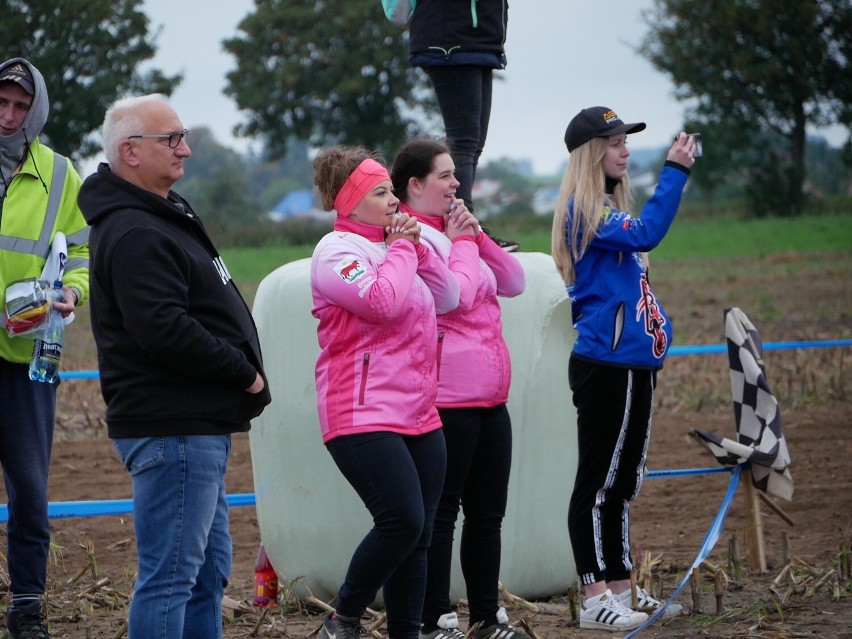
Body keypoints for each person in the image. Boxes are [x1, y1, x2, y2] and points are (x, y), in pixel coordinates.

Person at [77, 94, 271, 639]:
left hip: (193, 425)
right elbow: (163, 329)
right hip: (174, 426)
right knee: (171, 579)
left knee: (207, 575)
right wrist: (242, 371)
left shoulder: (159, 215)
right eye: (172, 140)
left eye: (182, 136)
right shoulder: (137, 231)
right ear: (131, 152)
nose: (185, 149)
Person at [551, 106, 695, 631]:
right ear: (593, 154)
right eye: (614, 143)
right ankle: (594, 601)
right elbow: (650, 231)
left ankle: (621, 590)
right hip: (605, 365)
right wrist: (675, 170)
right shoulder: (585, 212)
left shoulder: (608, 208)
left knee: (623, 481)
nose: (625, 150)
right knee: (596, 485)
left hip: (633, 364)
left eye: (625, 141)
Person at [311, 146, 459, 639]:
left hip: (419, 412)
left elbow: (448, 297)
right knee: (400, 520)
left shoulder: (399, 246)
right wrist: (401, 250)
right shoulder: (336, 252)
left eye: (392, 190)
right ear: (349, 204)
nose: (393, 200)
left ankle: (407, 633)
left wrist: (417, 249)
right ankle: (343, 617)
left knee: (417, 537)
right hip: (360, 414)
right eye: (380, 193)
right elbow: (381, 303)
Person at [390, 139, 529, 639]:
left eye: (455, 174)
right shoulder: (411, 238)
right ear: (415, 185)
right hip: (446, 398)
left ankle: (487, 616)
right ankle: (434, 615)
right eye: (446, 176)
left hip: (492, 397)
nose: (456, 185)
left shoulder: (455, 233)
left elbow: (515, 282)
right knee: (442, 515)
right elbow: (458, 296)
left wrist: (477, 235)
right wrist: (464, 243)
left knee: (488, 514)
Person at [0, 57, 89, 639]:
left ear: (38, 110)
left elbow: (81, 251)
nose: (8, 116)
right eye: (1, 102)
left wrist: (72, 295)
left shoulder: (60, 174)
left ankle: (27, 609)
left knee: (30, 491)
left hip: (27, 358)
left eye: (20, 106)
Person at [408, 0, 519, 252]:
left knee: (473, 144)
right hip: (452, 43)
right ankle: (464, 228)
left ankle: (464, 225)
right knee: (464, 142)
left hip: (482, 42)